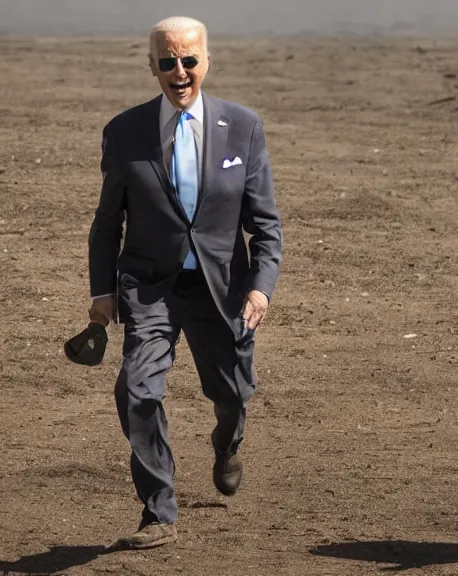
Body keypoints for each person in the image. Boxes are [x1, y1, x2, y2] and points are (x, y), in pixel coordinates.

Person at [87, 16, 282, 549]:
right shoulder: (124, 132)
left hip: (224, 291)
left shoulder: (242, 126)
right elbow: (108, 223)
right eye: (167, 61)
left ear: (206, 62)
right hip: (151, 287)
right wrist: (102, 293)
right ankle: (158, 511)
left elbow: (264, 225)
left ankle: (228, 444)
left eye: (189, 60)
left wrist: (260, 287)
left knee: (232, 392)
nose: (179, 71)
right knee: (136, 390)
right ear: (151, 66)